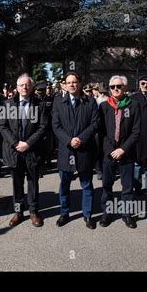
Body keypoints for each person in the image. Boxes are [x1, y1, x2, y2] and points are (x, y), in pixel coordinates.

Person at [0, 74, 49, 227]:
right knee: (17, 183)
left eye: (27, 85)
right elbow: (3, 126)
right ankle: (18, 212)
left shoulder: (39, 105)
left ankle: (33, 211)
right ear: (17, 87)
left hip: (32, 150)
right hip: (14, 151)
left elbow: (43, 127)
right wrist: (15, 143)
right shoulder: (7, 104)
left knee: (33, 182)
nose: (24, 88)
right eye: (21, 85)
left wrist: (28, 143)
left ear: (32, 87)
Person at [52, 72, 99, 229]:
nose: (72, 85)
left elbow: (94, 124)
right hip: (66, 150)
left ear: (79, 83)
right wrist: (69, 140)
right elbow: (55, 125)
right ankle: (64, 213)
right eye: (68, 82)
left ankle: (87, 215)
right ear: (64, 85)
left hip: (84, 150)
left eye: (74, 82)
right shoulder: (58, 102)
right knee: (64, 185)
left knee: (86, 185)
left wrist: (81, 139)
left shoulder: (90, 102)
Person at [98, 75, 141, 228]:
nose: (116, 89)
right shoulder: (104, 106)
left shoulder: (133, 105)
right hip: (109, 153)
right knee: (107, 185)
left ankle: (127, 214)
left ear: (125, 88)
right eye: (112, 87)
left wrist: (123, 149)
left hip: (126, 152)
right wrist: (111, 150)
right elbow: (101, 132)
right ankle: (107, 213)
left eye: (119, 86)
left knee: (127, 186)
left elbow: (136, 131)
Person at [132, 75, 147, 196]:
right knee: (137, 164)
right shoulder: (133, 98)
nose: (145, 86)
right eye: (143, 83)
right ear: (139, 84)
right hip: (137, 136)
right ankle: (137, 188)